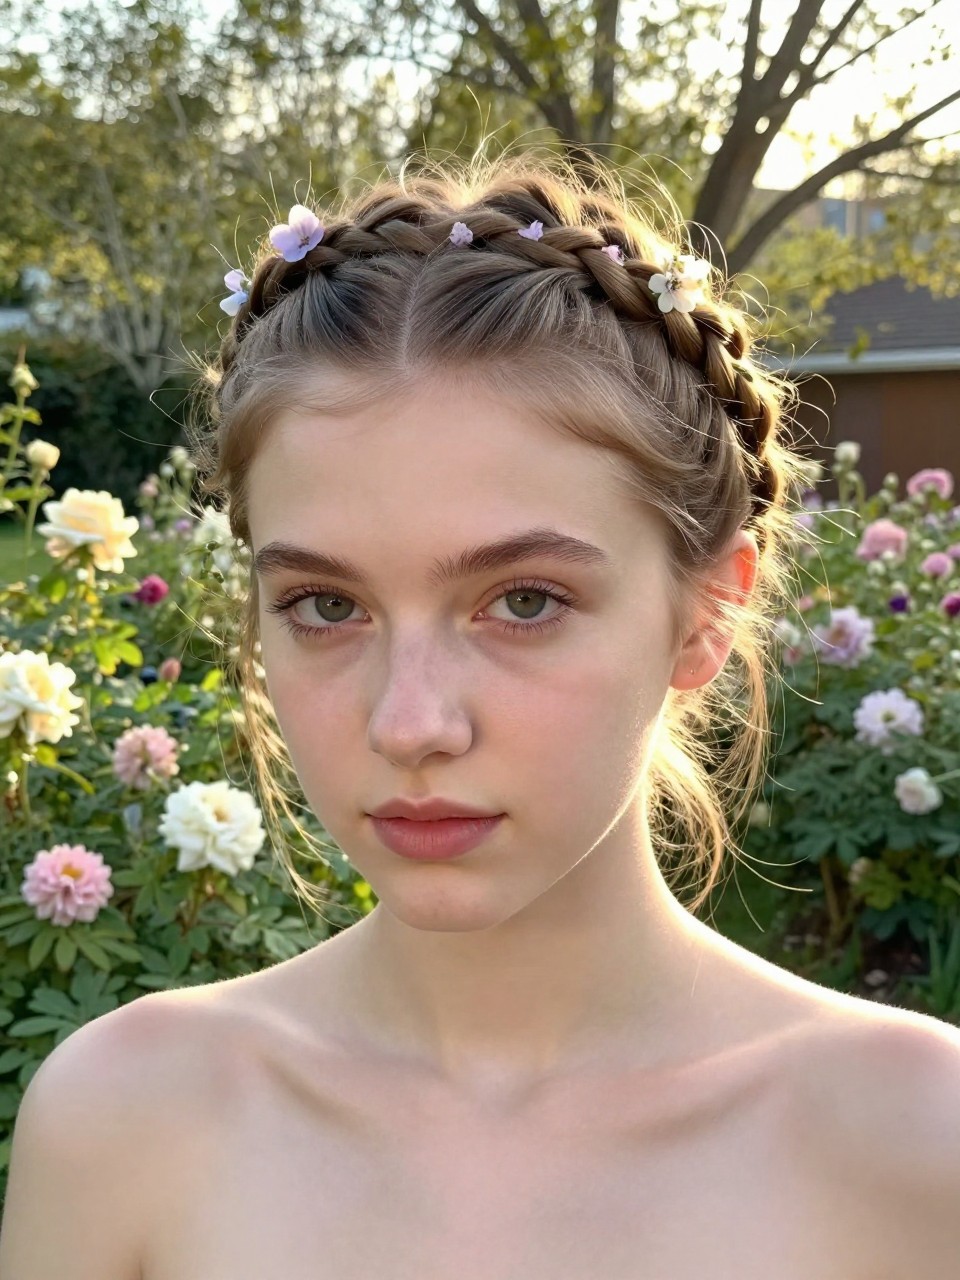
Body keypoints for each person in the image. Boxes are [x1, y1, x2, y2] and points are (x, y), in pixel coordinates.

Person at [3, 150, 960, 1279]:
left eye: (524, 600)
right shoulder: (127, 1121)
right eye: (324, 604)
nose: (410, 724)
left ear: (706, 613)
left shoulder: (916, 1145)